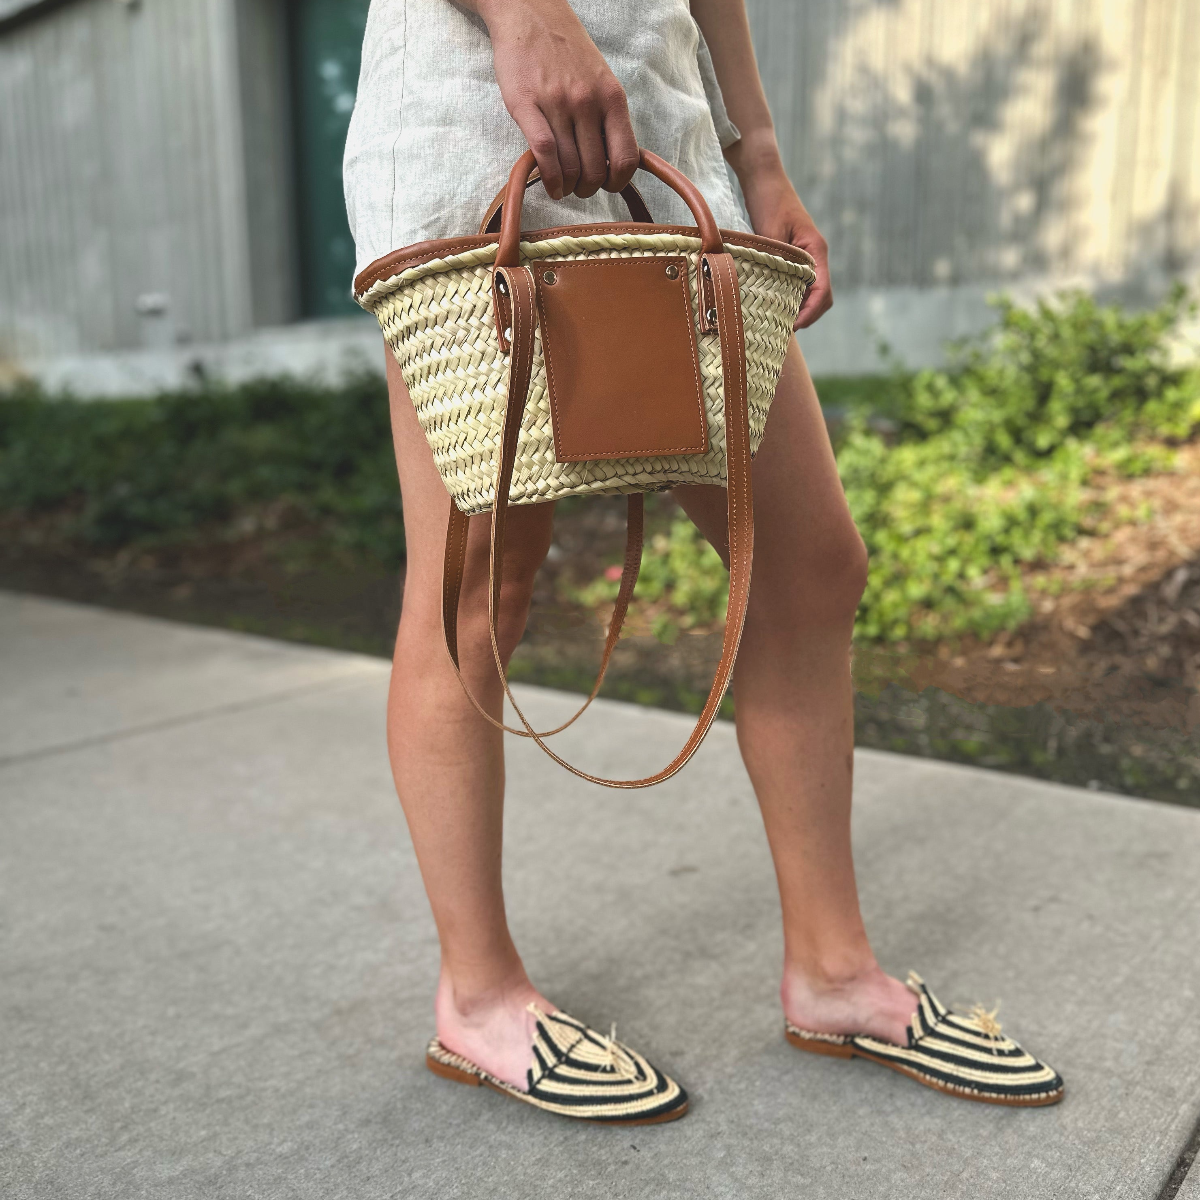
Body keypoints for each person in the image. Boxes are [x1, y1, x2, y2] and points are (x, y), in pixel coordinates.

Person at [342, 0, 1062, 1122]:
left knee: (810, 567)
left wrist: (757, 151)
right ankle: (478, 998)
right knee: (479, 589)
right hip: (480, 103)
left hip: (666, 133)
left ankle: (832, 974)